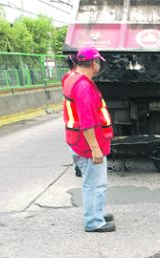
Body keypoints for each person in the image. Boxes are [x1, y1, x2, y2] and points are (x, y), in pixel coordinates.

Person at [62, 46, 115, 232]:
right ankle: (94, 222)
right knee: (95, 184)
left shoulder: (72, 78)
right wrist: (95, 148)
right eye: (98, 62)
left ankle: (96, 212)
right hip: (87, 144)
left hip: (77, 141)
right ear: (94, 63)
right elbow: (87, 121)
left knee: (91, 182)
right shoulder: (84, 86)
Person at [61, 54, 82, 178]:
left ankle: (78, 166)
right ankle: (81, 165)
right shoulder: (79, 78)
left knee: (74, 142)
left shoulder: (65, 78)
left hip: (69, 115)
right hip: (77, 114)